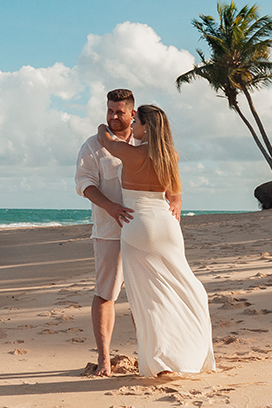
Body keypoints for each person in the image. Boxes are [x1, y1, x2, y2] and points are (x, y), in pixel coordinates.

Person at [96, 104, 215, 377]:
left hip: (138, 225)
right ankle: (191, 354)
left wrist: (104, 125)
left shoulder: (131, 153)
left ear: (146, 127)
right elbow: (175, 194)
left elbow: (105, 139)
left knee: (149, 299)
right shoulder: (170, 155)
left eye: (135, 121)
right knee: (184, 286)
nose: (132, 126)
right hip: (168, 225)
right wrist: (177, 203)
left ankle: (162, 360)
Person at [75, 88, 149, 376]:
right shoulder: (93, 145)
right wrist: (111, 207)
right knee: (106, 293)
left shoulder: (146, 141)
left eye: (119, 112)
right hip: (109, 231)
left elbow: (166, 172)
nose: (113, 117)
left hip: (144, 230)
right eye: (109, 111)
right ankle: (104, 358)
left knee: (144, 295)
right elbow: (84, 183)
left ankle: (148, 355)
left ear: (132, 113)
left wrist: (175, 199)